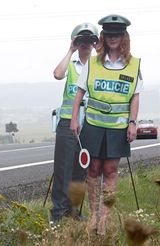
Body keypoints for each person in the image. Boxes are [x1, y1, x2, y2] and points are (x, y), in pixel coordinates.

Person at [70, 14, 143, 235]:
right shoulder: (92, 63)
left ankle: (104, 220)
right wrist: (74, 119)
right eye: (109, 34)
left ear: (124, 37)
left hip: (118, 128)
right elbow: (79, 93)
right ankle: (93, 216)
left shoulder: (133, 65)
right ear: (103, 36)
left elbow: (135, 97)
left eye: (117, 34)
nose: (113, 38)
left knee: (110, 170)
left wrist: (132, 123)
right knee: (93, 169)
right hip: (93, 124)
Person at [50, 23, 99, 222]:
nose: (85, 44)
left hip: (90, 124)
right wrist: (71, 49)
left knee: (81, 170)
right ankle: (58, 213)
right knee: (63, 168)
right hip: (67, 123)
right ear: (76, 42)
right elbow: (57, 74)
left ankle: (73, 210)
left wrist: (99, 49)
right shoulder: (71, 64)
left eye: (89, 40)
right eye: (81, 40)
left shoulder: (99, 66)